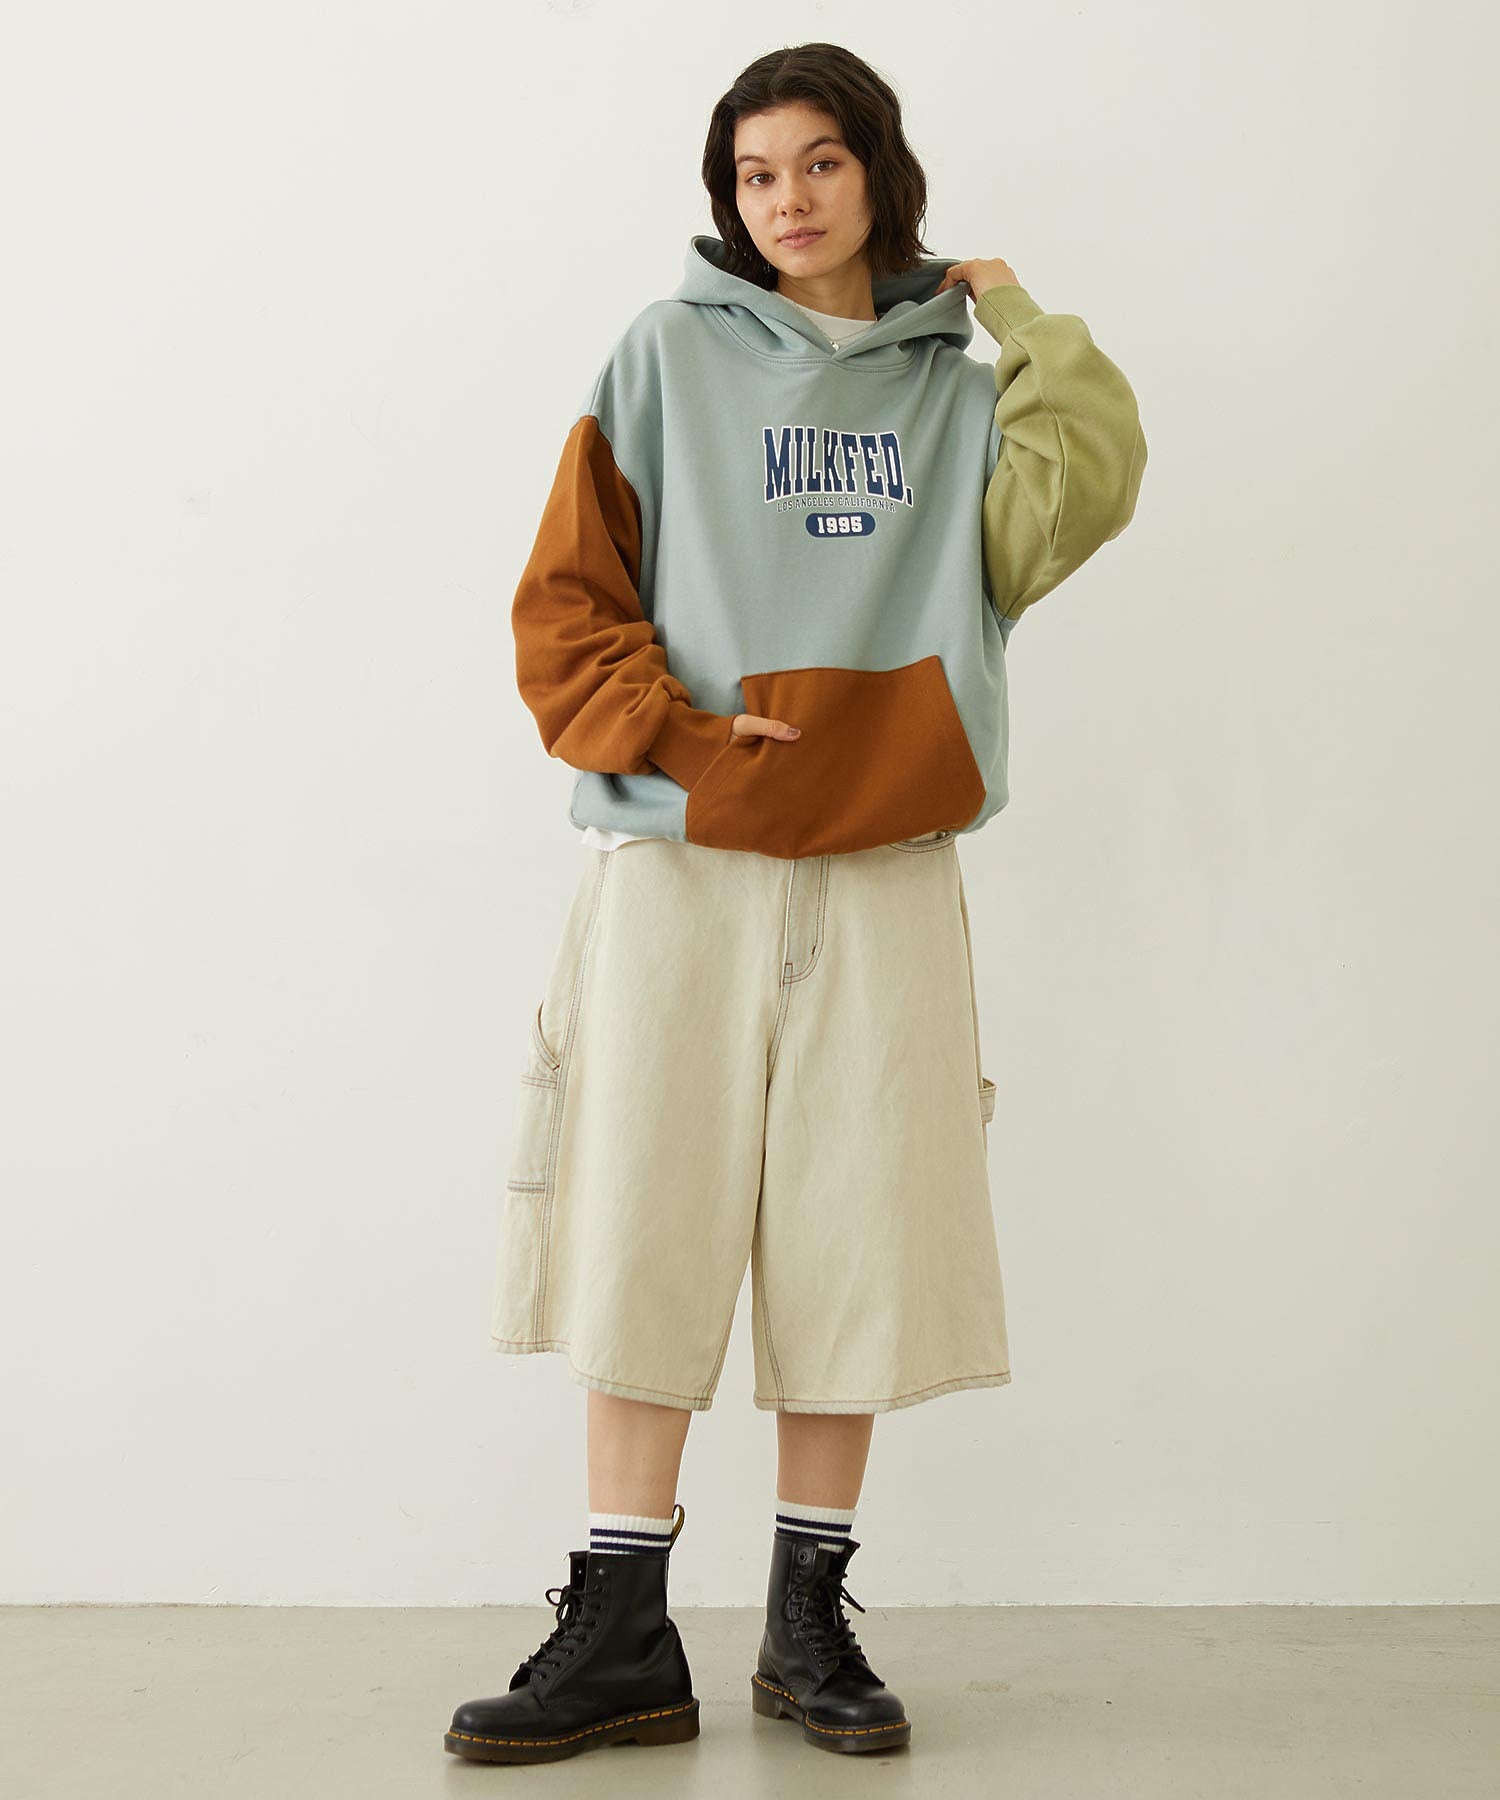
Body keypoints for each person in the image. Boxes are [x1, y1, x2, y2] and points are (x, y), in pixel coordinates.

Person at [445, 40, 1146, 1766]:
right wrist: (683, 739)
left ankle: (804, 1622)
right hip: (681, 867)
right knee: (645, 1216)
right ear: (730, 200)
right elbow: (565, 608)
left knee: (857, 1231)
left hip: (885, 864)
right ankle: (619, 1630)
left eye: (820, 162)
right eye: (757, 174)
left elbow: (1085, 490)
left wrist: (1013, 311)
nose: (789, 199)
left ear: (878, 174)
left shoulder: (958, 393)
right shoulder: (663, 356)